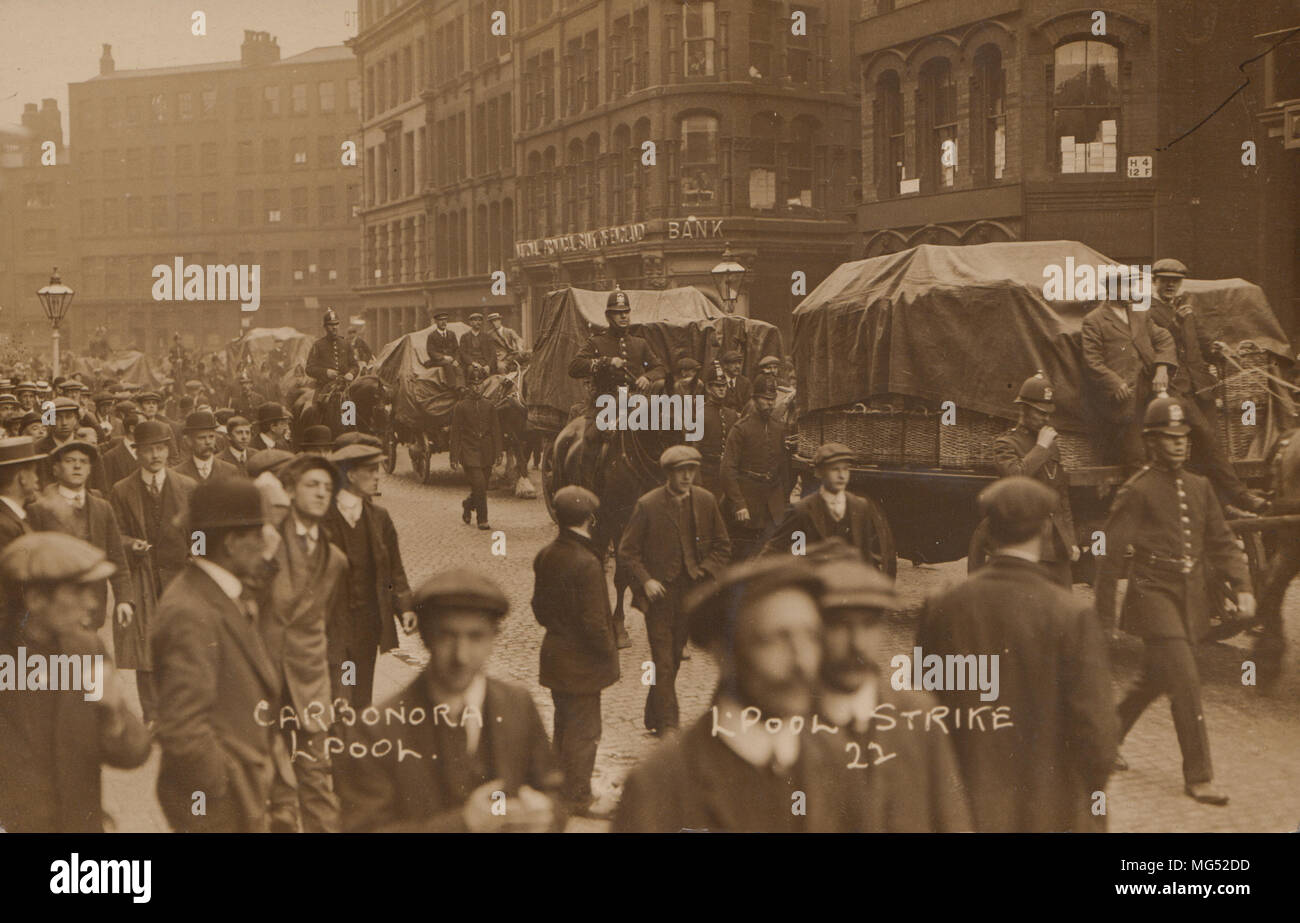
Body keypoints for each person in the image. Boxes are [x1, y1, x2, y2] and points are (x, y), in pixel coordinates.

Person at [917, 477, 1118, 831]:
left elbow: (928, 710)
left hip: (967, 806)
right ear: (1044, 531)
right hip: (1049, 809)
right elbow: (1097, 731)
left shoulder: (942, 607)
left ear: (989, 532)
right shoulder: (1071, 614)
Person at [613, 557, 865, 832]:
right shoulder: (662, 783)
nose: (802, 662)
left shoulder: (836, 760)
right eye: (776, 640)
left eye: (811, 638)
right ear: (725, 654)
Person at [1096, 396, 1253, 806]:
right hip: (1152, 594)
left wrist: (1244, 587)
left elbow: (1222, 544)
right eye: (1169, 438)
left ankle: (1102, 738)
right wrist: (1103, 620)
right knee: (1184, 679)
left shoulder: (1200, 488)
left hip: (1189, 596)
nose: (1180, 444)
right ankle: (1199, 776)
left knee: (1155, 679)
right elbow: (1110, 557)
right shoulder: (1138, 491)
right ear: (1151, 443)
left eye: (1183, 437)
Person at [337, 570, 564, 832]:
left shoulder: (517, 705)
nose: (462, 656)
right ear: (426, 638)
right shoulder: (376, 730)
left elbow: (553, 793)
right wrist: (463, 824)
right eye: (447, 636)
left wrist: (546, 816)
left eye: (476, 636)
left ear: (493, 639)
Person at [811, 544, 972, 832]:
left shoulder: (918, 715)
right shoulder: (787, 722)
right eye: (839, 626)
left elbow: (952, 820)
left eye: (869, 624)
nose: (856, 643)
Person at [153, 479, 283, 832]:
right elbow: (183, 727)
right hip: (217, 808)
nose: (266, 542)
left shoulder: (217, 590)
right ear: (231, 542)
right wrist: (224, 790)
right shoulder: (190, 610)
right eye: (258, 533)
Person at [0, 533, 151, 832]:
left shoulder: (87, 649)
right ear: (36, 599)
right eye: (78, 590)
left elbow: (134, 752)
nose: (92, 602)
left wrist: (112, 717)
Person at [255, 453, 348, 833]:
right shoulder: (265, 541)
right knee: (266, 787)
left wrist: (338, 690)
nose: (321, 493)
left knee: (317, 783)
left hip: (311, 685)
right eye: (312, 485)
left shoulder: (335, 558)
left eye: (328, 488)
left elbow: (335, 631)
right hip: (264, 680)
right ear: (290, 490)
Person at [618, 445, 731, 734]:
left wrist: (705, 572)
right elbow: (627, 552)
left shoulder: (706, 501)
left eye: (691, 470)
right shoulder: (648, 505)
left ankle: (653, 716)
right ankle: (670, 726)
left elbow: (722, 545)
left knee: (674, 656)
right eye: (681, 471)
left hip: (689, 592)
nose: (687, 476)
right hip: (658, 596)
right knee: (663, 660)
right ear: (668, 473)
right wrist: (646, 580)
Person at [1148, 258, 1265, 515]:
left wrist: (1216, 348)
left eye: (1175, 281)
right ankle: (1241, 495)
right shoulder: (1146, 310)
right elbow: (1153, 345)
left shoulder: (1184, 307)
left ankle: (1222, 505)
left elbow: (1199, 340)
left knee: (1209, 449)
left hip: (1200, 386)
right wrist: (1176, 323)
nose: (1170, 285)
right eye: (1165, 280)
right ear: (1154, 281)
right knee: (1207, 437)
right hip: (1173, 389)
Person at [532, 485, 620, 817]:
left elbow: (538, 608)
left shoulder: (546, 555)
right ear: (590, 519)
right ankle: (578, 797)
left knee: (564, 726)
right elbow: (596, 622)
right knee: (584, 732)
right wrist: (608, 652)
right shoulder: (587, 562)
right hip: (582, 661)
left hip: (555, 653)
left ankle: (561, 789)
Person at [109, 420, 198, 725]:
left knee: (179, 642)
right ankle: (151, 715)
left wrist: (194, 556)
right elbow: (114, 535)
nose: (156, 455)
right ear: (138, 453)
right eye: (149, 450)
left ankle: (177, 710)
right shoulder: (121, 490)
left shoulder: (186, 487)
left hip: (179, 576)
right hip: (143, 576)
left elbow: (199, 533)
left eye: (161, 448)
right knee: (145, 644)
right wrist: (130, 543)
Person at [322, 443, 415, 708]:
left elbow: (394, 568)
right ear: (350, 475)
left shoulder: (379, 517)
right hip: (331, 623)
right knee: (339, 695)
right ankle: (340, 742)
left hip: (367, 622)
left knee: (361, 696)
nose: (377, 476)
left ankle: (355, 745)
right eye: (371, 470)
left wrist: (404, 606)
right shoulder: (322, 516)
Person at [28, 440, 134, 632]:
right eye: (69, 461)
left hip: (94, 607)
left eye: (83, 462)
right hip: (54, 610)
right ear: (56, 469)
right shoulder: (39, 511)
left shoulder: (102, 508)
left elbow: (117, 557)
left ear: (90, 469)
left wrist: (124, 599)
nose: (77, 466)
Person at [567, 286, 667, 488]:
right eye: (618, 313)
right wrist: (605, 362)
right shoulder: (596, 342)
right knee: (590, 443)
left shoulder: (640, 344)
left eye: (626, 312)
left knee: (662, 433)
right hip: (605, 405)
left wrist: (647, 377)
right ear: (608, 316)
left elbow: (660, 368)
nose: (623, 317)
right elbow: (574, 367)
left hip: (636, 403)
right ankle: (586, 497)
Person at [988, 372, 1079, 587]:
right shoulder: (1006, 443)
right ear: (1024, 410)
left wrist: (1071, 541)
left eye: (1049, 413)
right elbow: (1015, 477)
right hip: (1026, 542)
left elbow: (1062, 497)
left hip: (1057, 546)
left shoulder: (1051, 444)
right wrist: (1040, 448)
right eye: (1040, 413)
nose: (1046, 418)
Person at [1081, 297, 1178, 468]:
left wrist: (1162, 367)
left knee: (1168, 442)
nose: (1130, 289)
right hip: (1123, 398)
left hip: (1151, 390)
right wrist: (1114, 383)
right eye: (1124, 284)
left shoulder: (1140, 313)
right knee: (1137, 455)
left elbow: (1164, 338)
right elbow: (1092, 361)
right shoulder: (1094, 320)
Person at [762, 442, 881, 569]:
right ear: (819, 473)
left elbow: (866, 557)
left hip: (848, 584)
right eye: (835, 469)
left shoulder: (859, 507)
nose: (841, 475)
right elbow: (778, 551)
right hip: (814, 584)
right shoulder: (802, 511)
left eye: (845, 469)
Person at [722, 376, 790, 560]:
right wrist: (739, 504)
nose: (770, 404)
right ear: (754, 399)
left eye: (772, 399)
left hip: (774, 502)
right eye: (765, 399)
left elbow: (784, 467)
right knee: (744, 556)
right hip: (748, 502)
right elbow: (727, 469)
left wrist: (784, 498)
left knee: (772, 553)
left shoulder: (779, 427)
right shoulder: (740, 429)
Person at [450, 367, 503, 531]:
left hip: (486, 450)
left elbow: (496, 430)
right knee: (479, 484)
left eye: (479, 384)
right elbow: (455, 433)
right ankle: (483, 519)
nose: (476, 388)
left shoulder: (490, 406)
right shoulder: (461, 407)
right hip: (469, 450)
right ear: (468, 386)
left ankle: (467, 504)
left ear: (483, 385)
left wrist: (499, 452)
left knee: (482, 486)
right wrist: (453, 457)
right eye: (473, 384)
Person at [696, 364, 738, 500]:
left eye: (724, 385)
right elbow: (693, 449)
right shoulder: (698, 414)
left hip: (727, 475)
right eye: (717, 385)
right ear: (708, 388)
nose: (721, 389)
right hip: (706, 474)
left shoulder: (731, 414)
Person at [171, 410, 240, 484]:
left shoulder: (230, 471)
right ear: (189, 441)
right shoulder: (177, 474)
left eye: (211, 437)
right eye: (201, 438)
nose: (208, 442)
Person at [0, 436, 43, 550]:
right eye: (34, 472)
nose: (36, 479)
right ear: (22, 477)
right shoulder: (4, 525)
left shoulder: (12, 516)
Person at [305, 308, 359, 389]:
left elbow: (355, 366)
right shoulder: (318, 345)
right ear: (325, 327)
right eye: (331, 325)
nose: (334, 327)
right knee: (316, 401)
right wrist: (325, 372)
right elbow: (309, 368)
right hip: (324, 387)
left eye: (336, 324)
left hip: (345, 386)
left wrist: (351, 373)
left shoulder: (346, 344)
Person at [101, 405, 142, 488]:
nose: (147, 429)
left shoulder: (147, 452)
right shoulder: (110, 457)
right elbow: (107, 490)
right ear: (132, 429)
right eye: (143, 425)